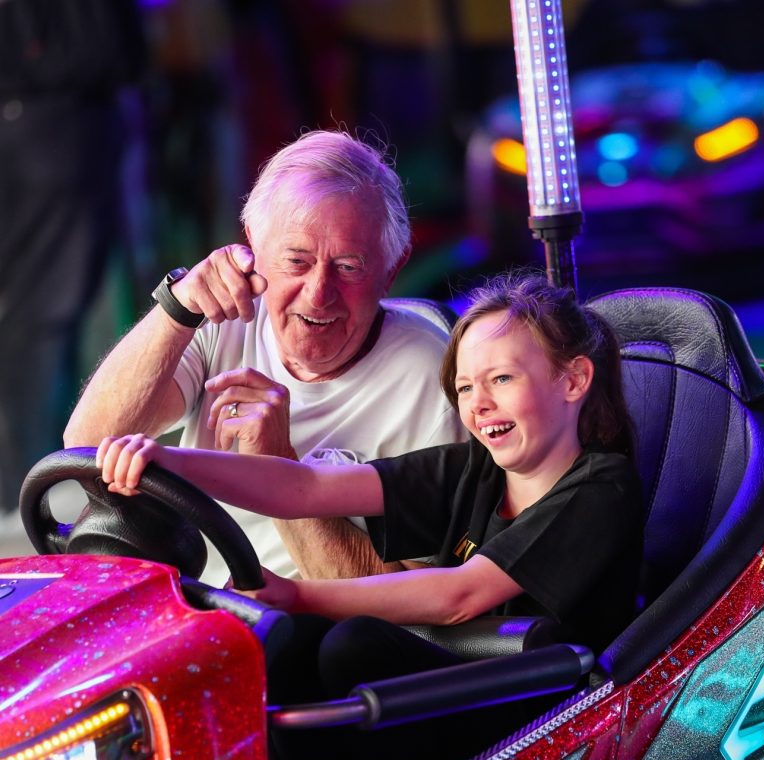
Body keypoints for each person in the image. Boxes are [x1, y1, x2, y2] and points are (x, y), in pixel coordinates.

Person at [96, 272, 642, 760]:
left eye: (501, 379)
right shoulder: (475, 468)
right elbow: (303, 488)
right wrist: (164, 460)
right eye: (466, 387)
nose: (479, 404)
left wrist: (301, 593)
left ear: (573, 381)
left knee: (355, 644)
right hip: (475, 682)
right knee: (281, 640)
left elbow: (462, 596)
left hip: (550, 710)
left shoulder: (601, 486)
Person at [65, 129, 465, 585]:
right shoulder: (224, 317)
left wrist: (277, 466)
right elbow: (86, 446)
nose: (318, 295)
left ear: (392, 269)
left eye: (349, 267)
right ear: (253, 243)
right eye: (297, 261)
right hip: (197, 611)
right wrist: (176, 309)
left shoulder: (436, 381)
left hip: (314, 640)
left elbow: (407, 608)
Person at [0, 0, 145, 526]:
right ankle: (26, 482)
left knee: (44, 309)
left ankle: (31, 477)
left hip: (53, 117)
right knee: (42, 312)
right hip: (53, 118)